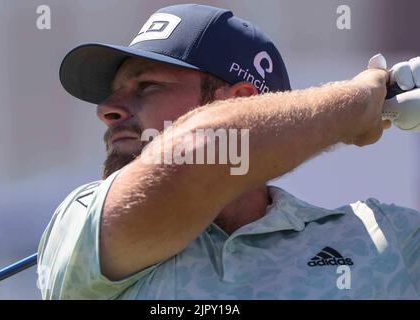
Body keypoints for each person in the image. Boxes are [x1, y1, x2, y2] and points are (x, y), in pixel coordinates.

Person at [37, 4, 419, 299]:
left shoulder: (383, 236)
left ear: (240, 102)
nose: (107, 110)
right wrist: (355, 105)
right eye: (114, 94)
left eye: (147, 86)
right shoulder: (81, 219)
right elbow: (197, 154)